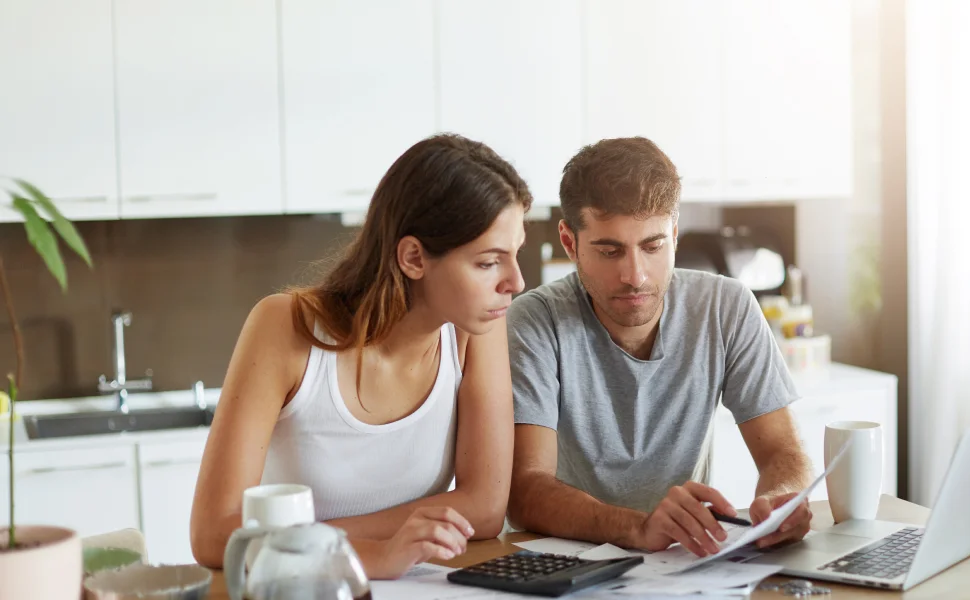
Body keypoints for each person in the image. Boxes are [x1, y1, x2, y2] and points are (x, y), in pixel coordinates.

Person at [190, 134, 530, 578]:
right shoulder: (285, 327)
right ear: (413, 258)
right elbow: (214, 534)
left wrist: (302, 540)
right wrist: (365, 554)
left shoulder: (475, 327)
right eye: (488, 262)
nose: (516, 282)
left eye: (515, 254)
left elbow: (484, 509)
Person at [506, 137, 813, 558]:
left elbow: (783, 452)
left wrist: (783, 499)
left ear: (674, 234)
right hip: (565, 561)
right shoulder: (534, 322)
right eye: (610, 251)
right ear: (570, 242)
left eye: (653, 247)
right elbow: (525, 490)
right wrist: (637, 527)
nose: (635, 276)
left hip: (680, 561)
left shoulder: (726, 306)